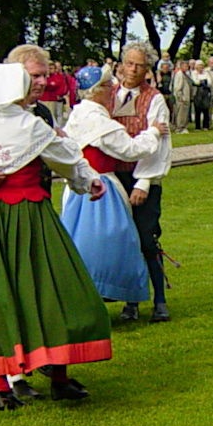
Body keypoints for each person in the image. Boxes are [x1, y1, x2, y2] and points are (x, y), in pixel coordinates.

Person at [0, 62, 110, 410]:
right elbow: (67, 158)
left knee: (27, 287)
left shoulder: (21, 125)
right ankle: (11, 381)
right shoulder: (18, 126)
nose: (35, 87)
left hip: (18, 215)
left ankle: (48, 375)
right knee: (35, 287)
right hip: (14, 215)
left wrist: (86, 180)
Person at [62, 66, 169, 303]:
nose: (113, 90)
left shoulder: (77, 114)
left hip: (74, 190)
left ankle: (82, 296)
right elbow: (130, 149)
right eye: (109, 86)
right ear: (97, 91)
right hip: (101, 188)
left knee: (77, 241)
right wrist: (152, 133)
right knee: (112, 244)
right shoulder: (98, 121)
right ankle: (107, 293)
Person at [109, 42, 173, 323]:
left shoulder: (154, 99)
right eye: (130, 64)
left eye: (140, 66)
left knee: (147, 238)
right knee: (123, 240)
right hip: (113, 177)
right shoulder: (107, 96)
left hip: (141, 175)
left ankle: (159, 299)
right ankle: (131, 300)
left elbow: (158, 143)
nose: (133, 70)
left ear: (147, 69)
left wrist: (143, 183)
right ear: (121, 65)